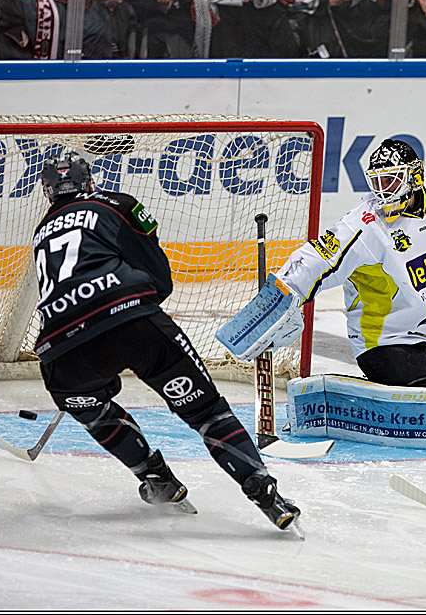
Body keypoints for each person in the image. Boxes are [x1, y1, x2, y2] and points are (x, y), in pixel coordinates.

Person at [32, 152, 300, 531]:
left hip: (62, 352)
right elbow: (159, 278)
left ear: (47, 191)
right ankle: (265, 493)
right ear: (89, 181)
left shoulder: (40, 231)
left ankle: (155, 477)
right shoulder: (117, 204)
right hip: (133, 324)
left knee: (92, 408)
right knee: (207, 413)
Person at [227, 139, 426, 395]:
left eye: (391, 180)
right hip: (384, 339)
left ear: (414, 177)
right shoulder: (365, 224)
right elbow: (316, 259)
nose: (383, 191)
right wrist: (271, 306)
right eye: (377, 182)